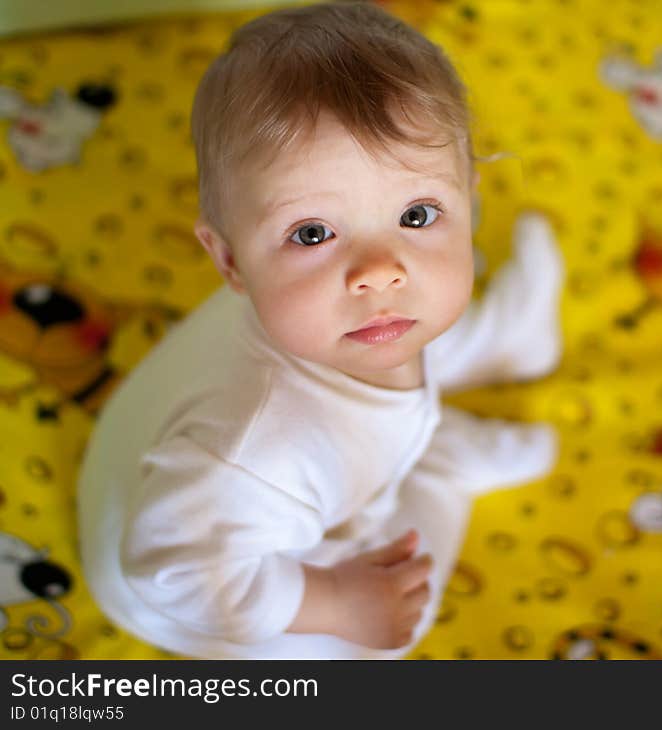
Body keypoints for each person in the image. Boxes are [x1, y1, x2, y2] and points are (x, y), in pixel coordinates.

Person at [77, 0, 564, 659]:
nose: (378, 270)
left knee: (404, 312)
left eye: (419, 213)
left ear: (468, 199)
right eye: (312, 233)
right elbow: (174, 570)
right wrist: (337, 601)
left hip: (188, 479)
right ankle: (441, 472)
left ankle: (506, 339)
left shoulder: (307, 302)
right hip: (209, 588)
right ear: (229, 260)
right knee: (384, 640)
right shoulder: (262, 448)